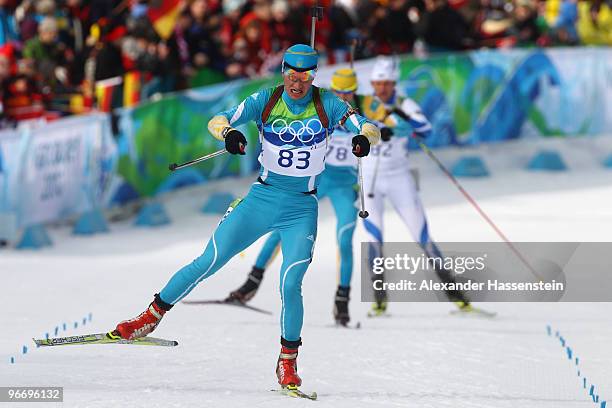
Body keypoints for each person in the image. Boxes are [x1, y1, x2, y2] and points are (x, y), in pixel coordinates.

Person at [113, 44, 380, 389]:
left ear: (313, 75)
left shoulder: (327, 102)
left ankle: (287, 362)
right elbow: (217, 119)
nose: (297, 82)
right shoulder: (265, 99)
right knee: (209, 260)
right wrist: (230, 133)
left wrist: (362, 137)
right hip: (261, 199)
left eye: (305, 75)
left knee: (290, 283)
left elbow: (368, 126)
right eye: (292, 74)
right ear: (283, 70)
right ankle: (148, 318)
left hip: (301, 208)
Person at [226, 67, 363, 326]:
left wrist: (371, 139)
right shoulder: (325, 110)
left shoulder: (354, 117)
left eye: (348, 92)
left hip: (344, 186)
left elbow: (371, 134)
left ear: (354, 92)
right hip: (315, 182)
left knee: (345, 237)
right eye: (339, 91)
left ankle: (342, 301)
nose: (343, 96)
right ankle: (250, 283)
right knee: (281, 229)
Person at [360, 56, 471, 316]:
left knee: (421, 235)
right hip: (369, 178)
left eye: (386, 83)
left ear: (393, 83)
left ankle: (456, 295)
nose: (381, 89)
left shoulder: (403, 103)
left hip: (399, 176)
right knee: (374, 237)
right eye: (377, 83)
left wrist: (400, 121)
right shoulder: (365, 103)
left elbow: (426, 129)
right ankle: (379, 298)